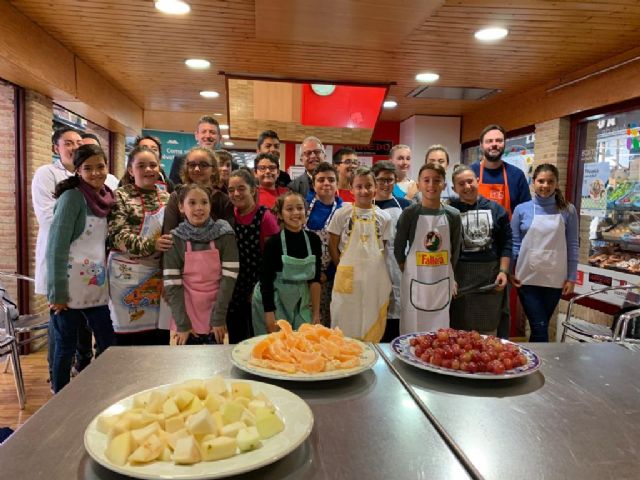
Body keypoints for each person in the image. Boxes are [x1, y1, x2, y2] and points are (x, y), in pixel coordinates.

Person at [46, 144, 115, 392]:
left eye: (100, 166)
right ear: (78, 171)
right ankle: (60, 395)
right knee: (65, 346)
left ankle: (102, 390)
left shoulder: (107, 196)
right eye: (88, 168)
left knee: (108, 342)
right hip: (69, 287)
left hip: (96, 283)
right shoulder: (72, 198)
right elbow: (56, 247)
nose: (96, 173)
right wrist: (57, 293)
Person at [32, 128, 93, 385]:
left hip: (88, 266)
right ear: (56, 148)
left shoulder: (93, 177)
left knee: (85, 325)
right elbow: (50, 218)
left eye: (78, 142)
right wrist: (84, 224)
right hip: (60, 261)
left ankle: (83, 370)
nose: (75, 147)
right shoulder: (46, 174)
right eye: (68, 143)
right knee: (61, 326)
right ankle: (57, 379)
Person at [108, 146, 173, 345]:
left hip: (156, 274)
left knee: (158, 335)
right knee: (128, 339)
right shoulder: (120, 195)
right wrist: (152, 244)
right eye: (141, 165)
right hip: (125, 274)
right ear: (130, 170)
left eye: (153, 165)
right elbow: (117, 236)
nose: (148, 170)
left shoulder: (167, 197)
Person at [471, 125, 531, 339]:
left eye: (498, 140)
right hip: (473, 254)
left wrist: (518, 259)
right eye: (489, 141)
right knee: (472, 307)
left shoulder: (516, 176)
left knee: (502, 309)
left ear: (504, 144)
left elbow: (525, 217)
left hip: (505, 252)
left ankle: (501, 348)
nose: (494, 145)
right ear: (481, 145)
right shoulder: (470, 173)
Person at [163, 184, 239, 345]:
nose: (199, 207)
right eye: (192, 203)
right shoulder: (174, 239)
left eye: (204, 202)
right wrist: (182, 323)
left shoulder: (225, 235)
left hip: (217, 312)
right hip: (186, 315)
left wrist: (218, 317)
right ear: (181, 207)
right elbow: (172, 285)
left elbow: (229, 279)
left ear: (210, 206)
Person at [511, 163, 579, 342]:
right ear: (533, 182)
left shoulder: (568, 210)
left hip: (555, 279)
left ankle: (531, 359)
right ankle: (542, 360)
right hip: (526, 278)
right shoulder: (521, 209)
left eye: (550, 181)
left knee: (539, 327)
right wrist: (511, 271)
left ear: (557, 183)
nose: (545, 185)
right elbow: (515, 244)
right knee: (540, 327)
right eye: (541, 181)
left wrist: (572, 277)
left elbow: (573, 245)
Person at [394, 163, 462, 334]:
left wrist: (451, 273)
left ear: (444, 185)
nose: (431, 185)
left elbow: (455, 249)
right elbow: (398, 247)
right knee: (412, 328)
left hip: (442, 279)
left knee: (440, 331)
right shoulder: (410, 213)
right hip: (414, 280)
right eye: (426, 180)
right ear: (418, 184)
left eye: (437, 180)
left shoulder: (453, 215)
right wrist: (407, 268)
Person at [328, 166, 392, 341]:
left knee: (370, 314)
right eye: (359, 186)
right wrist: (340, 266)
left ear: (375, 187)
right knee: (345, 314)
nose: (364, 191)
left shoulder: (384, 217)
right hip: (348, 277)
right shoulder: (342, 214)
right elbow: (332, 243)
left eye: (368, 186)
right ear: (351, 189)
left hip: (373, 279)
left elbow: (382, 248)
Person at [448, 165, 512, 335]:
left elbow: (507, 243)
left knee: (487, 334)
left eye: (470, 181)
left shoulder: (497, 210)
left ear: (478, 181)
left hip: (490, 280)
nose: (467, 186)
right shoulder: (449, 211)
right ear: (454, 189)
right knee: (458, 334)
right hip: (460, 280)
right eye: (461, 184)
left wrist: (503, 271)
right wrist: (449, 276)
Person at [252, 192, 322, 334]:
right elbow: (266, 281)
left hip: (301, 300)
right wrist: (269, 315)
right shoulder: (273, 243)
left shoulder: (313, 240)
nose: (295, 212)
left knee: (303, 340)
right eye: (289, 209)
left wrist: (315, 313)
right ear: (280, 214)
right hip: (274, 300)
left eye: (300, 208)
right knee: (276, 343)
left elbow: (315, 281)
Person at [226, 169, 280, 342]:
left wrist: (257, 291)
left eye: (241, 188)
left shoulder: (265, 217)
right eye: (231, 190)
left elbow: (273, 262)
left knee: (257, 340)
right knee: (236, 338)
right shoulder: (229, 215)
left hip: (257, 288)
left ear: (253, 190)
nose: (236, 193)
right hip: (233, 289)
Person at [372, 161, 411, 341]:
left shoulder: (405, 205)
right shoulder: (366, 205)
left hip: (398, 265)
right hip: (373, 264)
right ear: (374, 180)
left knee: (396, 310)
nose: (386, 184)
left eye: (390, 180)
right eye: (381, 180)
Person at [162, 146, 234, 234]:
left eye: (203, 165)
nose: (197, 169)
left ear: (214, 170)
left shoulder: (224, 200)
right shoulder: (176, 197)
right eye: (192, 165)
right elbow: (169, 234)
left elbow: (228, 235)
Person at [305, 162, 343, 326]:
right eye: (321, 180)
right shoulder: (303, 206)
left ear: (337, 184)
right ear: (314, 184)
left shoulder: (343, 211)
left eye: (331, 180)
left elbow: (343, 248)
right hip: (304, 275)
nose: (326, 183)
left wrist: (328, 273)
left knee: (325, 321)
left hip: (329, 277)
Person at [169, 115, 221, 185]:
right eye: (203, 132)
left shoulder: (229, 164)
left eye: (212, 132)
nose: (208, 136)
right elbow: (173, 188)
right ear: (196, 136)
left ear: (219, 137)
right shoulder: (180, 160)